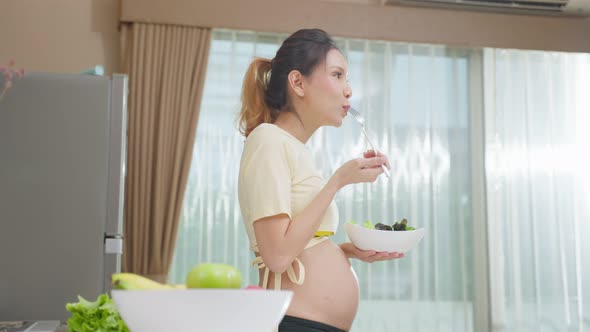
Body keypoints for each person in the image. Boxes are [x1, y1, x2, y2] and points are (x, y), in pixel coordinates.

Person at [237, 29, 404, 332]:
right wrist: (338, 181)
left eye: (347, 78)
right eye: (337, 75)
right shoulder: (267, 140)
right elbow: (277, 255)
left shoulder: (295, 149)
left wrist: (348, 251)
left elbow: (300, 243)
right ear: (298, 82)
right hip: (296, 323)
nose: (349, 90)